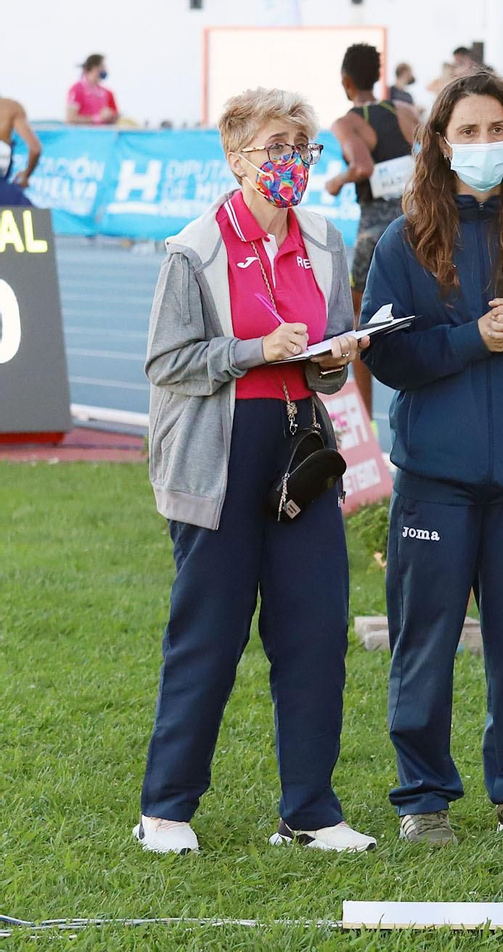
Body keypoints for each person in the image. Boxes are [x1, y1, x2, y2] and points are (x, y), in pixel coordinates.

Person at [359, 70, 503, 847]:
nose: (484, 143)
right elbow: (387, 356)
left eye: (498, 130)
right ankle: (423, 797)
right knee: (423, 642)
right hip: (436, 481)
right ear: (440, 142)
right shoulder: (404, 241)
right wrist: (471, 340)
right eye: (468, 131)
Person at [137, 88, 373, 855]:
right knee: (208, 636)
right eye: (276, 147)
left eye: (301, 147)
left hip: (301, 456)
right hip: (220, 458)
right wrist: (254, 351)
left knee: (315, 631)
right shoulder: (194, 248)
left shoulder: (325, 241)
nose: (291, 161)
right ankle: (165, 810)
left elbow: (325, 365)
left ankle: (310, 812)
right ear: (236, 158)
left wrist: (338, 356)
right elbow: (167, 360)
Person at [324, 43, 422, 415]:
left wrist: (337, 181)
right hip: (414, 220)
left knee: (360, 323)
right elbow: (431, 153)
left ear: (346, 82)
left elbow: (362, 167)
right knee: (419, 311)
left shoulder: (346, 123)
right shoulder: (404, 111)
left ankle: (366, 417)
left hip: (375, 227)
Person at [0, 93, 42, 206]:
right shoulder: (10, 107)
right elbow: (35, 149)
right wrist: (26, 175)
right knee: (35, 217)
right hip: (3, 190)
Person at [66, 53, 118, 125]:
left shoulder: (106, 92)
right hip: (84, 131)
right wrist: (96, 118)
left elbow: (114, 116)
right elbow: (70, 119)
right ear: (93, 67)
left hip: (101, 131)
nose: (105, 69)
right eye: (103, 66)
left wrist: (110, 116)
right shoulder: (76, 89)